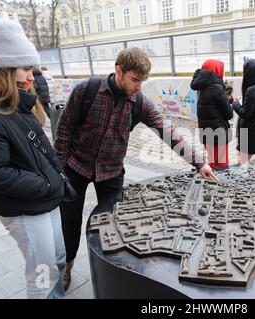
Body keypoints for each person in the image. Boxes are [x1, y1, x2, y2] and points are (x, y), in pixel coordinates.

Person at [54, 47, 218, 291]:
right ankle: (67, 267)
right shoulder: (86, 90)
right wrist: (60, 167)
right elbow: (65, 127)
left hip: (110, 170)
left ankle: (113, 271)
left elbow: (166, 130)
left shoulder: (139, 101)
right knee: (69, 222)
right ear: (118, 71)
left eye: (143, 80)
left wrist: (199, 162)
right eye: (135, 80)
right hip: (76, 166)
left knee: (113, 221)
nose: (139, 86)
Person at [0, 20, 66, 299]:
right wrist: (45, 184)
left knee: (57, 261)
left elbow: (40, 151)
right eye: (26, 69)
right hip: (24, 209)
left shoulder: (20, 104)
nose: (32, 77)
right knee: (42, 275)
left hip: (45, 201)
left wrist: (53, 181)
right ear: (6, 70)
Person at [191, 59, 233, 168]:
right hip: (219, 132)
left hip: (206, 131)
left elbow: (212, 106)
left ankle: (211, 182)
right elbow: (229, 114)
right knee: (222, 163)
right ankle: (221, 183)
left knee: (212, 161)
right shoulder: (217, 87)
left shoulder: (200, 86)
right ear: (217, 70)